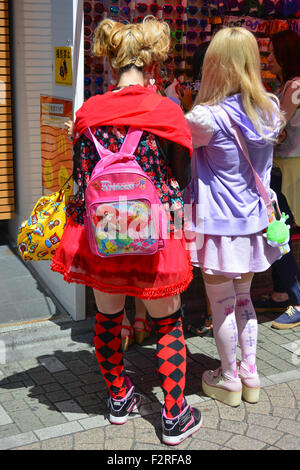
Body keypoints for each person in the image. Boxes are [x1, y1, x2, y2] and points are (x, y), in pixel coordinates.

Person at [54, 16, 202, 445]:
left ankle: (119, 399)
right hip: (153, 236)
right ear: (150, 63)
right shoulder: (166, 112)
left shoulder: (87, 114)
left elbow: (82, 179)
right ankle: (174, 416)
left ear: (110, 63)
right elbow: (183, 176)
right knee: (167, 323)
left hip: (100, 236)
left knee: (107, 316)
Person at [184, 27, 284, 407]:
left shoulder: (206, 117)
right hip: (255, 224)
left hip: (218, 227)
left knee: (222, 303)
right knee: (244, 299)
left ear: (215, 64)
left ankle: (227, 379)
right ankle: (251, 374)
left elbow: (179, 138)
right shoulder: (270, 109)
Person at [64, 119, 152, 349]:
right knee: (141, 264)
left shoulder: (92, 131)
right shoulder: (146, 127)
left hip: (105, 219)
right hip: (138, 216)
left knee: (114, 267)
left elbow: (79, 178)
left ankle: (123, 326)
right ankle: (141, 321)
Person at [255, 30, 300, 330]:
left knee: (280, 230)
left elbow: (278, 128)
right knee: (279, 229)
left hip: (291, 167)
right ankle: (284, 291)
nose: (267, 58)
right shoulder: (288, 85)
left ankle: (296, 298)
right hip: (285, 164)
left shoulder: (295, 86)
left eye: (272, 53)